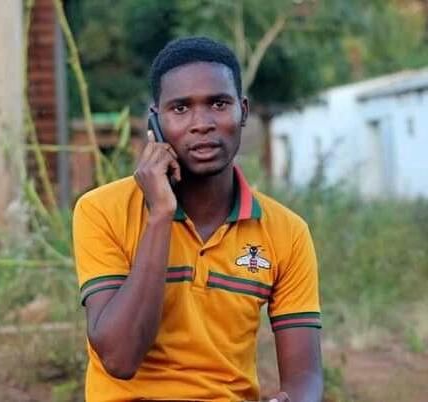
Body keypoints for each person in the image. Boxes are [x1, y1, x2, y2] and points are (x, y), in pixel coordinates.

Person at [73, 36, 323, 402]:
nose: (201, 123)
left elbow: (305, 376)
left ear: (243, 111)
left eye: (218, 104)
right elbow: (120, 358)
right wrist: (160, 214)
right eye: (180, 108)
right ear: (155, 122)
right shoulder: (101, 210)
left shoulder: (287, 232)